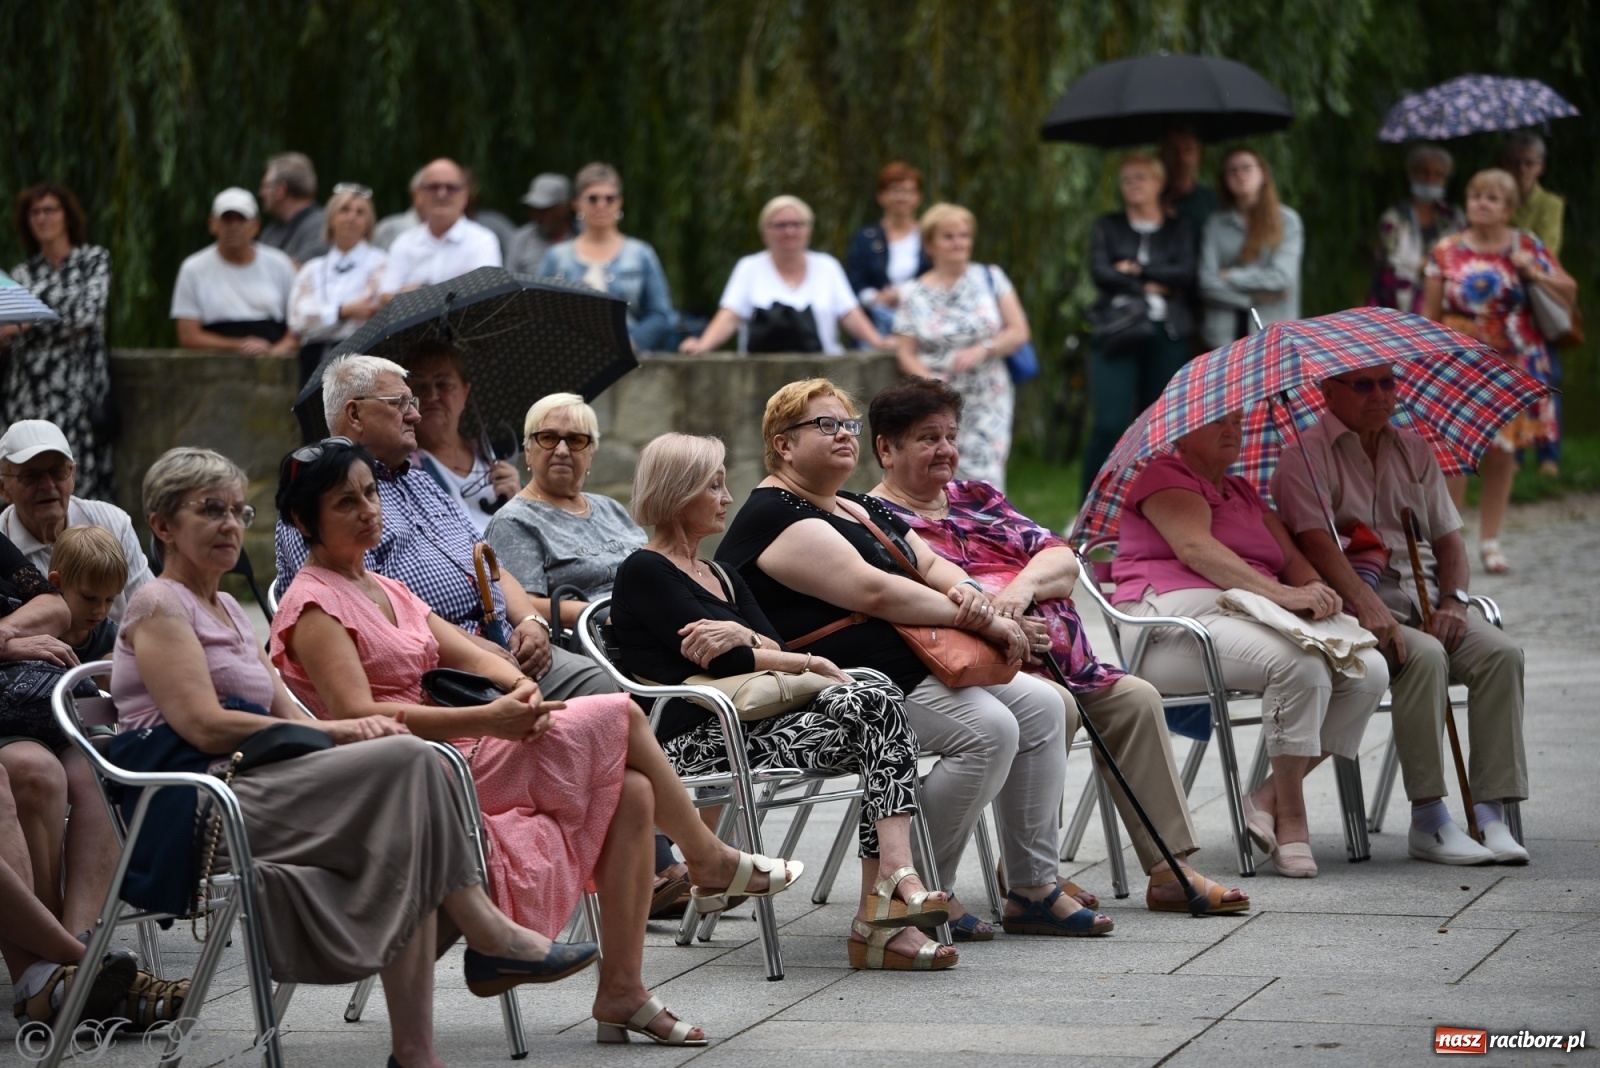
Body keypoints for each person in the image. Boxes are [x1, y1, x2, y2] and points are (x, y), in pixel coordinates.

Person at [269, 438, 800, 1043]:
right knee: (621, 715)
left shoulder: (385, 589)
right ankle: (709, 859)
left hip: (463, 744)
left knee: (630, 793)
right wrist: (494, 718)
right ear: (302, 520)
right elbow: (360, 718)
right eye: (345, 502)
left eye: (370, 492)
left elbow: (474, 653)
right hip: (408, 772)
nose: (368, 509)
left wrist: (517, 686)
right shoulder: (314, 603)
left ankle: (623, 991)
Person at [112, 446, 600, 1066]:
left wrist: (350, 732)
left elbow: (289, 716)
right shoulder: (158, 606)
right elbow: (204, 726)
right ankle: (488, 936)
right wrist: (344, 733)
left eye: (239, 510)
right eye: (211, 511)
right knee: (412, 769)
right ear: (161, 525)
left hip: (262, 778)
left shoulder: (229, 608)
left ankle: (418, 1047)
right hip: (203, 799)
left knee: (411, 796)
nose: (231, 525)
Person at [718, 379, 1112, 939]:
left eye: (848, 425)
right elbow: (875, 591)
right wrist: (985, 619)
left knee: (1045, 705)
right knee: (989, 730)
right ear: (783, 445)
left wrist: (976, 595)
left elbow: (929, 567)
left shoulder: (854, 507)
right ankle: (921, 891)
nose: (843, 435)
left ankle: (1031, 887)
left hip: (908, 667)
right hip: (839, 689)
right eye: (825, 425)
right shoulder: (773, 513)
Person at [867, 377, 1249, 911]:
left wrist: (1021, 589)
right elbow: (911, 605)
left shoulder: (977, 498)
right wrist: (1005, 617)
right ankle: (1028, 870)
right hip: (986, 674)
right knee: (1054, 706)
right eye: (928, 438)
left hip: (1068, 663)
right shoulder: (876, 521)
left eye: (951, 435)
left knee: (1135, 697)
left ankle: (1168, 869)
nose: (946, 449)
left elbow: (1062, 559)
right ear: (886, 448)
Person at [613, 433, 957, 969]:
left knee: (876, 705)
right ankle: (884, 909)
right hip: (697, 739)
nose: (727, 497)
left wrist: (748, 641)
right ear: (678, 492)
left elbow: (768, 642)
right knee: (880, 713)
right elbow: (729, 663)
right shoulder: (644, 569)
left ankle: (888, 894)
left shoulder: (722, 574)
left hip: (757, 726)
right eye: (714, 485)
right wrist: (787, 657)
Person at [1272, 367, 1531, 867]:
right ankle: (1430, 820)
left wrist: (1455, 600)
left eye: (1388, 384)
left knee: (1501, 655)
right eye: (1364, 385)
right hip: (1357, 607)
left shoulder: (1413, 449)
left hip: (1427, 597)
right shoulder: (1303, 456)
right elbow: (1315, 545)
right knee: (1424, 655)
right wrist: (1367, 606)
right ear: (1328, 394)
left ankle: (1491, 812)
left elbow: (1450, 539)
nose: (1381, 395)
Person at [1112, 411, 1387, 878]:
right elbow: (1195, 550)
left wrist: (1319, 594)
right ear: (1181, 430)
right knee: (1299, 665)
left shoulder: (1242, 491)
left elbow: (1293, 561)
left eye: (1237, 422)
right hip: (1175, 625)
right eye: (1216, 421)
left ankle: (1265, 798)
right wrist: (1285, 595)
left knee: (1369, 670)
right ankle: (1294, 820)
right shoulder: (1164, 475)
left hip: (1253, 614)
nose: (1232, 431)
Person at [274, 355, 615, 701]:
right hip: (435, 673)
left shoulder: (423, 483)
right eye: (401, 403)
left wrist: (530, 622)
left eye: (414, 402)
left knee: (603, 690)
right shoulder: (321, 505)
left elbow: (492, 566)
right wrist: (474, 651)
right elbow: (366, 614)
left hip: (505, 647)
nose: (415, 415)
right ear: (354, 414)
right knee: (569, 718)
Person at [1420, 168, 1576, 574]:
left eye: (1491, 198)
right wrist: (1426, 360)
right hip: (1459, 360)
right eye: (1475, 196)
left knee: (1502, 450)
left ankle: (1490, 539)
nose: (1481, 204)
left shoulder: (1526, 245)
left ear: (1509, 208)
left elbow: (1568, 290)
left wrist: (1532, 270)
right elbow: (1430, 314)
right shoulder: (1446, 250)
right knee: (1454, 451)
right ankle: (1451, 539)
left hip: (1513, 360)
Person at [891, 203, 1031, 491]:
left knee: (987, 475)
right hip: (939, 399)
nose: (959, 243)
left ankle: (992, 534)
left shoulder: (991, 278)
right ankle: (948, 534)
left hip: (988, 395)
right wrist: (929, 382)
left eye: (964, 235)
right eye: (949, 236)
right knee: (944, 473)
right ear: (930, 244)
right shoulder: (911, 293)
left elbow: (1019, 331)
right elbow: (905, 352)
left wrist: (984, 348)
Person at [1083, 153, 1197, 497]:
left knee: (1159, 424)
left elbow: (1185, 274)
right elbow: (1101, 273)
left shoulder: (1179, 228)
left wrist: (1136, 271)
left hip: (1168, 331)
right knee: (1109, 422)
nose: (1132, 185)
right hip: (1118, 330)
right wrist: (1154, 282)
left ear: (1159, 183)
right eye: (1127, 179)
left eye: (1140, 178)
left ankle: (1155, 501)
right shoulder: (1109, 225)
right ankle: (1090, 503)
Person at [485, 393, 643, 630]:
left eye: (576, 440)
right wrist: (602, 612)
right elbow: (524, 605)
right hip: (596, 639)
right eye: (548, 438)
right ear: (528, 450)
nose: (561, 450)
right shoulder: (513, 521)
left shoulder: (612, 509)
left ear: (591, 454)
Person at [3, 184, 114, 502]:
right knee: (27, 471)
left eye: (50, 210)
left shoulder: (93, 260)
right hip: (28, 389)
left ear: (67, 216)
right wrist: (22, 326)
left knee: (76, 477)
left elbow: (86, 316)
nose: (41, 218)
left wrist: (23, 324)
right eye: (34, 212)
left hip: (77, 388)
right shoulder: (24, 272)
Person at [679, 196, 889, 356]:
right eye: (780, 225)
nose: (789, 232)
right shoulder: (749, 267)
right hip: (758, 372)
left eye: (797, 224)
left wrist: (878, 342)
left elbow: (849, 314)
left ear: (809, 229)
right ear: (764, 232)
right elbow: (730, 315)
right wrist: (703, 345)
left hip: (823, 370)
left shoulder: (827, 266)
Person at [0, 419, 153, 621]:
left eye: (58, 471)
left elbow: (151, 610)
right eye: (31, 475)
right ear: (3, 489)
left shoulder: (112, 523)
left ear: (73, 475)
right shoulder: (3, 543)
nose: (47, 484)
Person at [539, 164, 675, 352]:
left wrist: (631, 343)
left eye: (609, 198)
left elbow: (660, 313)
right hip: (572, 358)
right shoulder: (557, 257)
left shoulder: (641, 253)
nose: (601, 205)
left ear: (620, 203)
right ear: (577, 204)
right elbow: (540, 314)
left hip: (631, 360)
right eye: (593, 198)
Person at [401, 339, 519, 536]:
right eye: (420, 386)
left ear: (465, 392)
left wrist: (520, 499)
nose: (431, 395)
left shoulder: (493, 456)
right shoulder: (402, 469)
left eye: (443, 384)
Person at [171, 188, 298, 355]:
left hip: (275, 364)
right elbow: (188, 336)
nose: (234, 226)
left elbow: (299, 325)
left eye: (241, 219)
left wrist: (274, 353)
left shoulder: (281, 264)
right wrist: (240, 345)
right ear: (212, 224)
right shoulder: (193, 269)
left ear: (255, 226)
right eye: (227, 219)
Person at [1198, 148, 1302, 349]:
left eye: (1247, 168)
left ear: (1263, 174)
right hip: (1223, 338)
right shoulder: (1215, 224)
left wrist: (1230, 276)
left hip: (1274, 336)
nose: (1240, 174)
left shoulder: (1287, 222)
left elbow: (1280, 279)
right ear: (1225, 180)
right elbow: (1206, 283)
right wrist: (1253, 298)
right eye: (1232, 170)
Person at [287, 183, 387, 391]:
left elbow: (371, 312)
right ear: (331, 219)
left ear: (368, 222)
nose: (351, 217)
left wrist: (322, 320)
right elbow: (298, 320)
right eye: (344, 210)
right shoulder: (312, 269)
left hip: (364, 356)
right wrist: (345, 311)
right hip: (314, 360)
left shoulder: (382, 264)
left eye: (360, 212)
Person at [381, 159, 502, 300]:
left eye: (450, 188)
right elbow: (386, 299)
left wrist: (418, 290)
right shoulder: (404, 242)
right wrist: (458, 287)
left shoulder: (483, 240)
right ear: (419, 195)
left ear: (464, 195)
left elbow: (485, 295)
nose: (442, 194)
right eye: (433, 187)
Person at [1369, 145, 1465, 314]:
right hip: (1397, 304)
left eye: (1438, 175)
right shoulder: (1393, 219)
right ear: (1411, 174)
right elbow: (1387, 262)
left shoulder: (1454, 219)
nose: (1430, 179)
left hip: (1444, 305)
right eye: (1424, 172)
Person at [845, 162, 932, 336]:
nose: (902, 197)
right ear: (881, 196)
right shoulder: (866, 237)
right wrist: (877, 298)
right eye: (895, 190)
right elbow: (855, 283)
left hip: (924, 316)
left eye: (908, 191)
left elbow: (942, 275)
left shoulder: (930, 236)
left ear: (918, 197)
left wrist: (904, 294)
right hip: (877, 318)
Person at [48, 525, 126, 663]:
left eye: (110, 599)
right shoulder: (39, 635)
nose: (100, 610)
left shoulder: (114, 640)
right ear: (57, 584)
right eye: (89, 598)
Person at [257, 152, 328, 266]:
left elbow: (305, 271)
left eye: (266, 186)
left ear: (281, 190)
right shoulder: (271, 231)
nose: (261, 193)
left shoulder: (321, 226)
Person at [1502, 131, 1563, 257]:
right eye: (1515, 162)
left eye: (1529, 163)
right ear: (1505, 165)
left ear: (1541, 168)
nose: (1522, 169)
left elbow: (1547, 251)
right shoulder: (1494, 198)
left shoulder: (1551, 204)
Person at [507, 173, 574, 276]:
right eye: (533, 208)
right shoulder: (521, 240)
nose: (536, 215)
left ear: (563, 208)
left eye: (543, 210)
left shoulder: (584, 236)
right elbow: (509, 283)